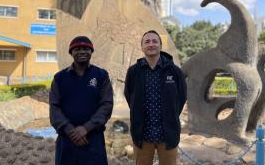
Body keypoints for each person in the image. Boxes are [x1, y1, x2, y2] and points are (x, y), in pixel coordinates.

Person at [124, 30, 187, 165]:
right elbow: (130, 96)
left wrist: (171, 115)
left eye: (154, 41)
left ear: (160, 45)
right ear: (142, 47)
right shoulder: (133, 71)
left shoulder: (175, 71)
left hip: (168, 134)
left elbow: (181, 98)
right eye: (147, 41)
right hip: (142, 135)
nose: (151, 44)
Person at [49, 36, 113, 165]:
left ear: (91, 52)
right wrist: (70, 131)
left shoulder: (101, 75)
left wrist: (86, 128)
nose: (82, 52)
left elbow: (107, 104)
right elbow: (54, 107)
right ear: (71, 53)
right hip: (67, 140)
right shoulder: (59, 78)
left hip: (93, 139)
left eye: (86, 49)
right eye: (77, 49)